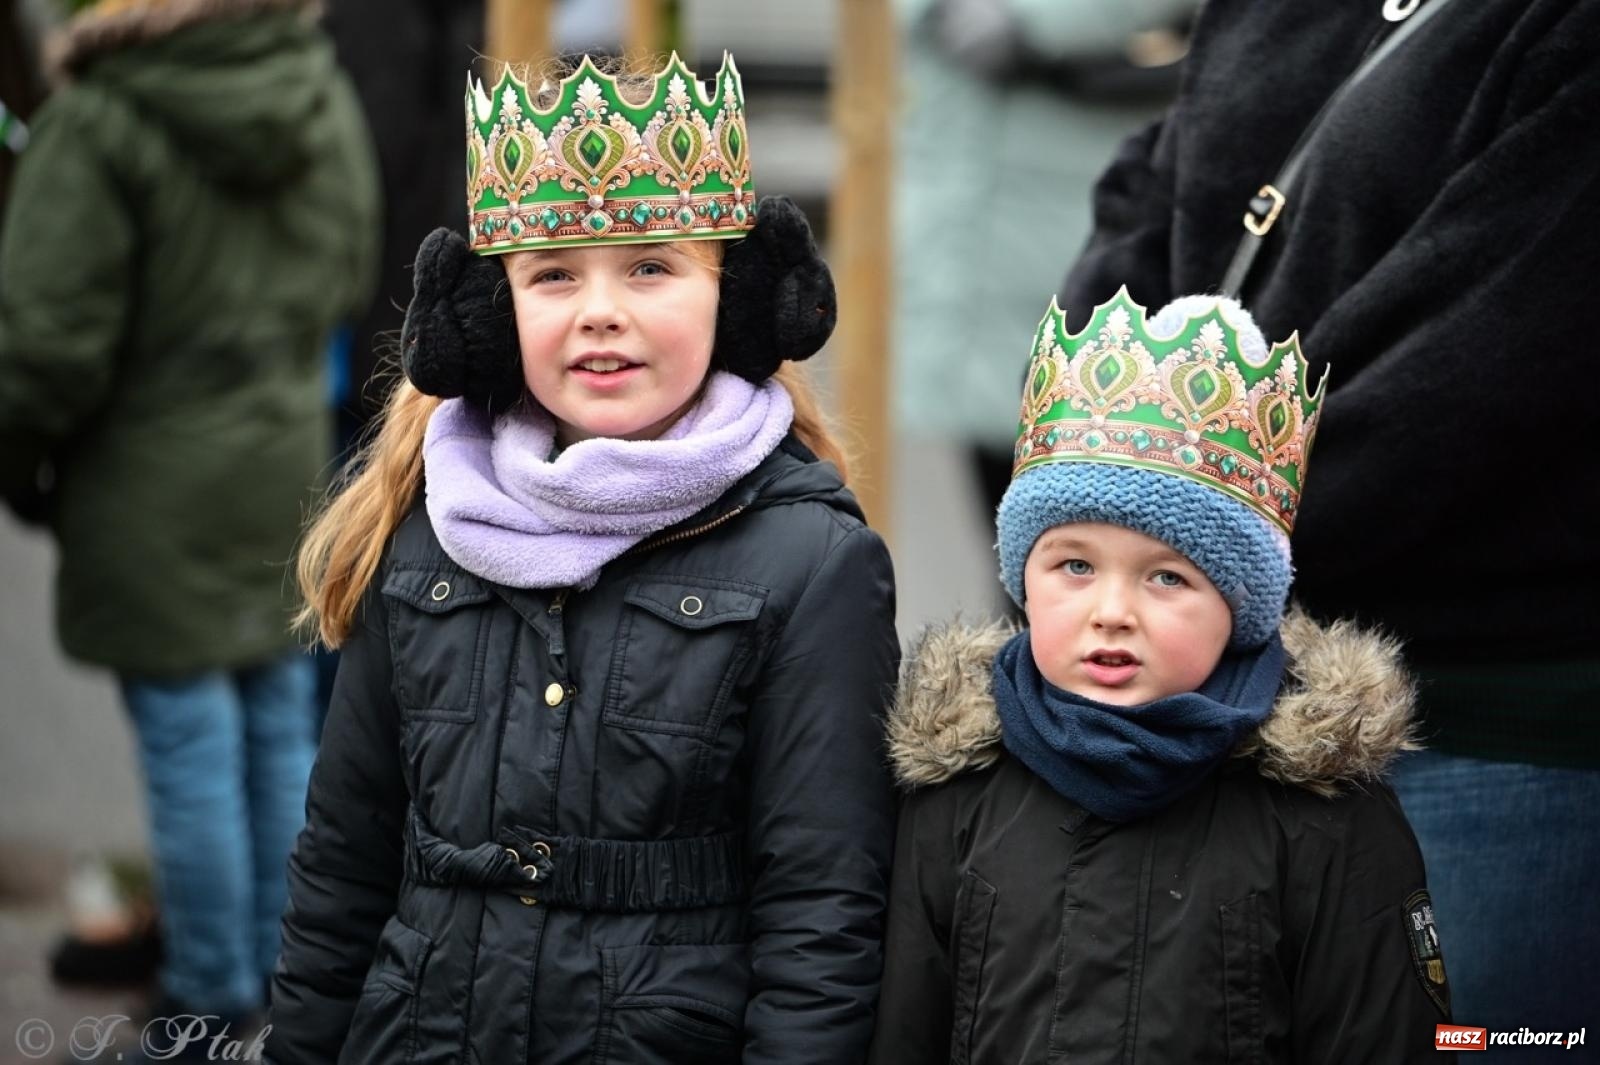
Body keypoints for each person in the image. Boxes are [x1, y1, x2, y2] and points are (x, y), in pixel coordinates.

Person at [265, 54, 899, 1063]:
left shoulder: (812, 564)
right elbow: (343, 860)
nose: (599, 309)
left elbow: (821, 914)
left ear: (737, 300)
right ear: (485, 310)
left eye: (651, 266)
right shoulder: (428, 528)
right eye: (553, 274)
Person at [1056, 1, 1599, 1046]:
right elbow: (1148, 200)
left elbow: (1477, 384)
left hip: (1483, 730)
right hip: (1233, 695)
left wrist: (1160, 530)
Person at [867, 291, 1449, 1063]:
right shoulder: (954, 799)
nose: (1113, 610)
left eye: (1167, 578)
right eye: (1074, 564)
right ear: (1022, 576)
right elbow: (903, 1031)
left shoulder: (1325, 817)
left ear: (1238, 606)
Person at [0, 0, 379, 1045]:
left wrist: (19, 461)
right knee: (274, 727)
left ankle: (207, 1001)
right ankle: (280, 983)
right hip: (280, 459)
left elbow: (46, 345)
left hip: (146, 471)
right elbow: (350, 270)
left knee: (189, 743)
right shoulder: (314, 83)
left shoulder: (98, 120)